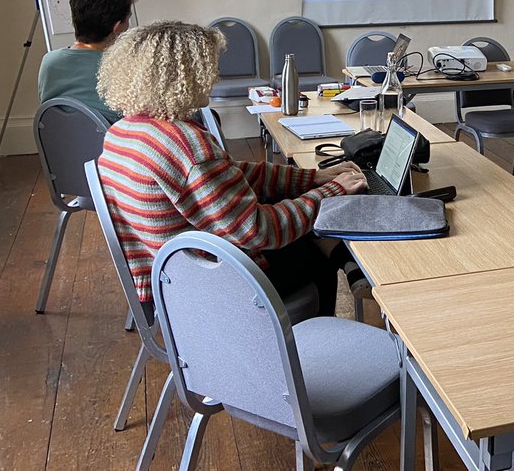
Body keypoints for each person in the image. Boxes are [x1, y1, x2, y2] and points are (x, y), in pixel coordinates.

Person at [96, 21, 368, 315]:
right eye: (208, 67)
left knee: (301, 218)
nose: (214, 76)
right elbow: (259, 231)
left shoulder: (124, 131)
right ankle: (313, 344)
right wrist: (332, 193)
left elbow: (230, 173)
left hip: (166, 277)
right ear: (182, 77)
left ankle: (344, 258)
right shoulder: (187, 145)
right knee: (310, 249)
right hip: (214, 290)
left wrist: (312, 178)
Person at [37, 0, 138, 124]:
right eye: (128, 19)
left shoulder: (49, 61)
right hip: (111, 144)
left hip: (59, 143)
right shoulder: (122, 67)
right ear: (117, 27)